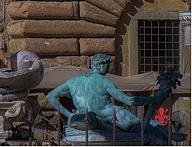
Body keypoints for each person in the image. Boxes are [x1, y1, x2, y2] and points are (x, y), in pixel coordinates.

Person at [46, 54, 178, 141]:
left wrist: (69, 115)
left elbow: (50, 96)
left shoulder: (73, 81)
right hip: (115, 117)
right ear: (100, 65)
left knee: (149, 127)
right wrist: (157, 98)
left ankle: (169, 134)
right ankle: (169, 136)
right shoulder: (104, 82)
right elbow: (130, 101)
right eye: (107, 65)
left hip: (91, 120)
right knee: (150, 130)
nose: (108, 68)